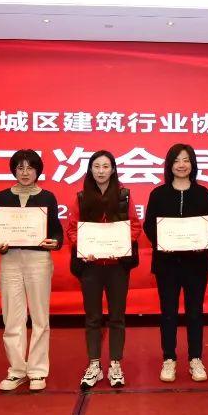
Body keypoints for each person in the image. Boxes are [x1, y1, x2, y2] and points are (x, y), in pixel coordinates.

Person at [143, 144, 208, 383]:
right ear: (169, 165)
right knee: (168, 312)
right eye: (176, 160)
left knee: (195, 312)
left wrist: (203, 242)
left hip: (196, 263)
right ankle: (169, 358)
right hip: (166, 263)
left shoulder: (203, 193)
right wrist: (162, 242)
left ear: (193, 164)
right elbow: (149, 225)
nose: (181, 165)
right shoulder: (158, 194)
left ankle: (195, 358)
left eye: (186, 160)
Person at [66, 150, 142, 390]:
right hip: (91, 266)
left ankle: (116, 363)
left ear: (113, 169)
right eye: (96, 166)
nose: (101, 171)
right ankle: (94, 364)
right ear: (90, 169)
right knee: (93, 318)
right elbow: (72, 229)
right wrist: (83, 247)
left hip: (117, 266)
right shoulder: (81, 197)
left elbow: (135, 226)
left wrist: (120, 246)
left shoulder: (124, 195)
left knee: (117, 317)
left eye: (105, 166)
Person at [0, 150, 62, 392]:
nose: (24, 173)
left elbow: (56, 230)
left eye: (30, 168)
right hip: (10, 259)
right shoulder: (2, 197)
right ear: (14, 170)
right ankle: (17, 370)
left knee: (40, 317)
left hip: (38, 259)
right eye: (20, 168)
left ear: (37, 171)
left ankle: (38, 371)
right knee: (12, 316)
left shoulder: (47, 197)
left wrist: (55, 242)